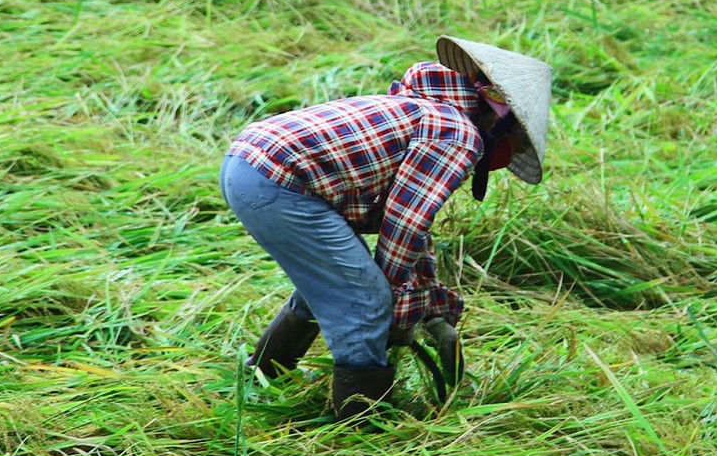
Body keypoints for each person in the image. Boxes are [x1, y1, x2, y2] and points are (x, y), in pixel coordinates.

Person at [218, 35, 553, 422]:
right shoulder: (457, 133)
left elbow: (416, 227)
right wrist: (394, 313)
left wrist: (432, 311)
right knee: (364, 299)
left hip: (247, 162)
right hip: (281, 181)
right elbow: (404, 226)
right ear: (500, 121)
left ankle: (261, 378)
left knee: (337, 280)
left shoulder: (423, 109)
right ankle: (361, 425)